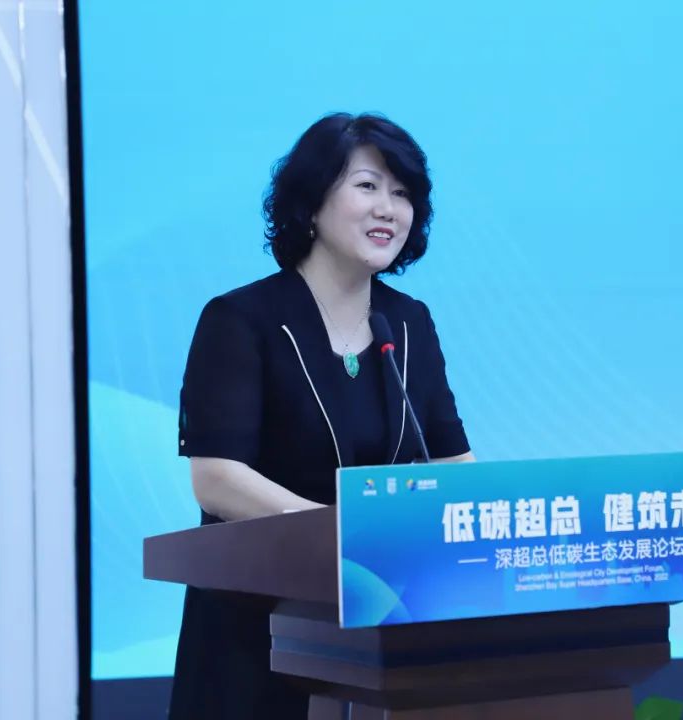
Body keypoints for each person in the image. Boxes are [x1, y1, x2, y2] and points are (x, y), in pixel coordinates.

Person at [169, 112, 474, 718]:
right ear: (311, 203)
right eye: (367, 186)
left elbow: (452, 462)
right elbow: (217, 478)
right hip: (255, 632)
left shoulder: (408, 322)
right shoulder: (242, 320)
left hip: (380, 631)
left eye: (402, 193)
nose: (389, 208)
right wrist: (344, 537)